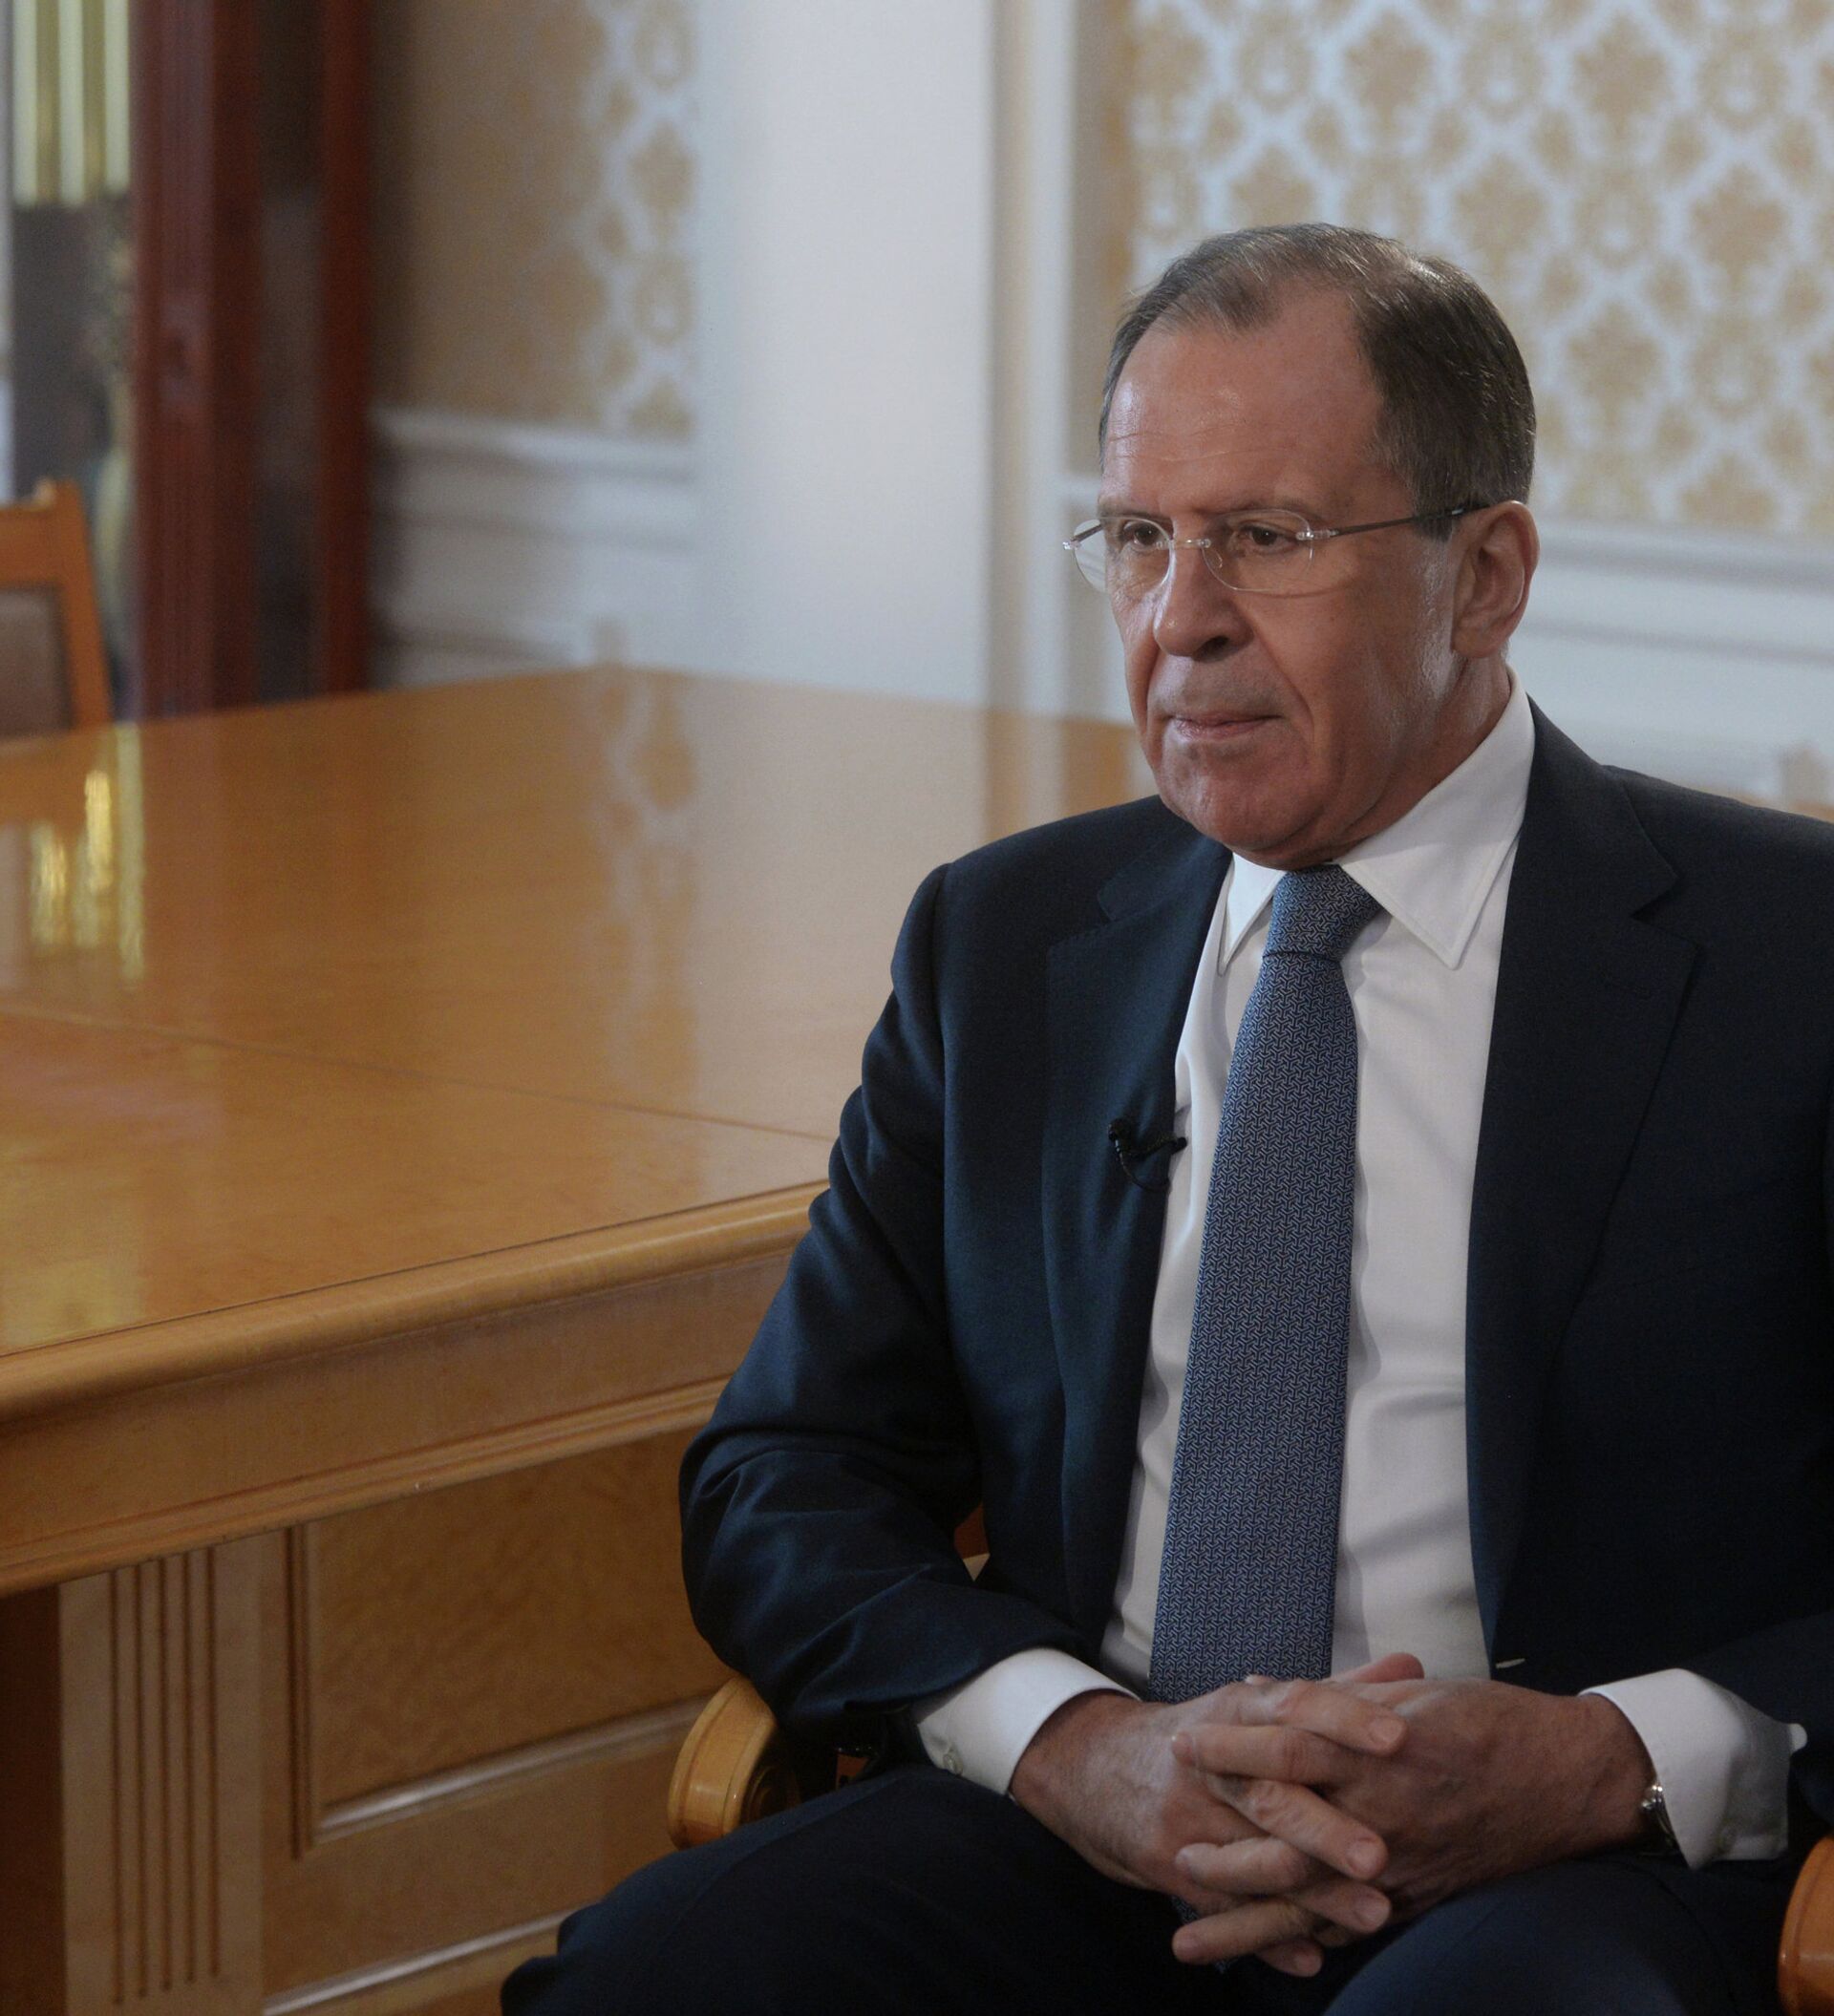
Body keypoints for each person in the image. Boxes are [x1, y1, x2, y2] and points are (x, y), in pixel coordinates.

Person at [503, 225, 1834, 2014]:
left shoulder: (1787, 961)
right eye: (1139, 537)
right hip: (1094, 1837)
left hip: (1568, 1874)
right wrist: (1071, 1746)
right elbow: (784, 1475)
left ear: (1485, 576)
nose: (1179, 618)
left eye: (1266, 538)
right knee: (660, 1977)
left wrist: (1612, 1759)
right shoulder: (1005, 943)